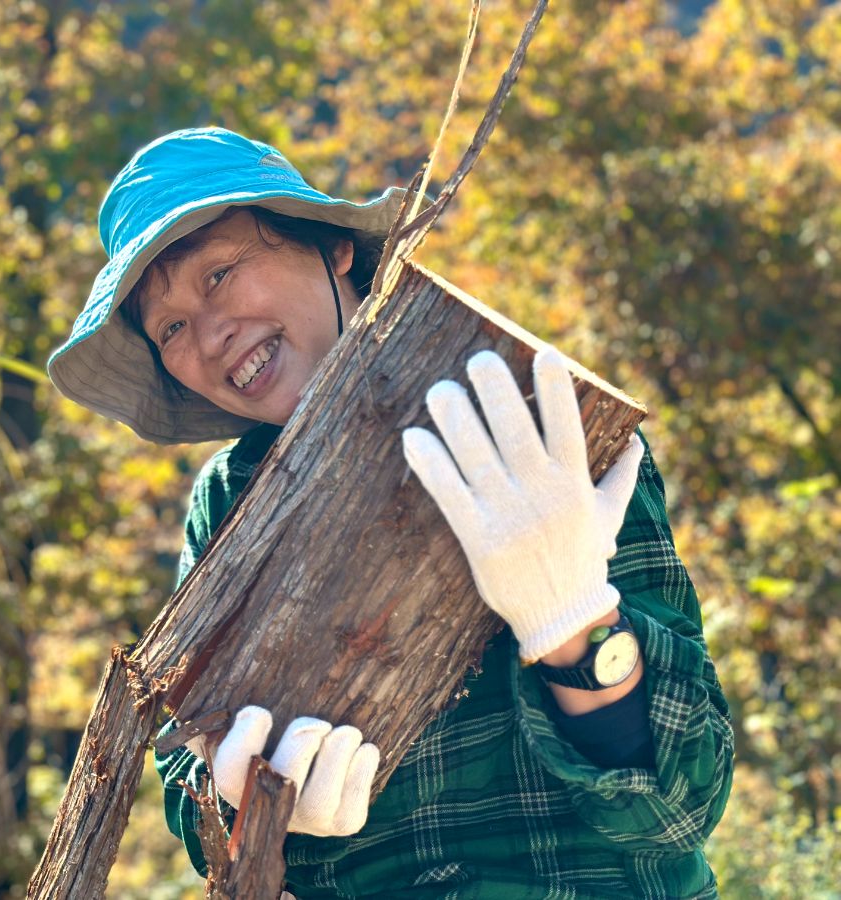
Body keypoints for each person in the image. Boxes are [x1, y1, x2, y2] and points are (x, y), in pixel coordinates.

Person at [47, 127, 734, 898]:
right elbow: (193, 781)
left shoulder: (528, 421)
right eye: (170, 326)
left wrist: (575, 626)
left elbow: (679, 813)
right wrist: (242, 801)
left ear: (333, 249)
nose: (209, 336)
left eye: (219, 275)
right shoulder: (229, 502)